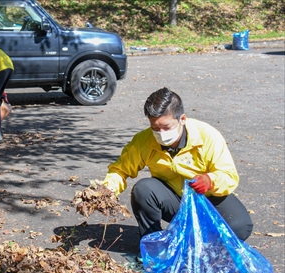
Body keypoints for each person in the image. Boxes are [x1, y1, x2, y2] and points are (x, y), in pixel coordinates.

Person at [102, 87, 253, 259]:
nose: (161, 134)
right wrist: (106, 191)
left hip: (207, 199)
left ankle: (195, 243)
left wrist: (210, 180)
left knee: (240, 226)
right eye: (155, 128)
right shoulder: (144, 140)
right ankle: (153, 246)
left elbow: (229, 175)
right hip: (174, 200)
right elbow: (120, 170)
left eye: (166, 127)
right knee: (143, 189)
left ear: (182, 119)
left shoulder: (207, 136)